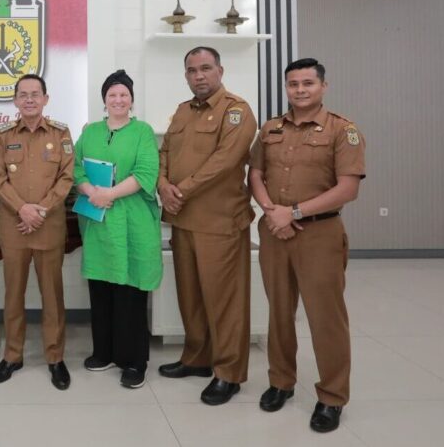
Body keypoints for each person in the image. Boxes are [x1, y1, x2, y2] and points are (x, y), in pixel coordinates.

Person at [249, 58, 365, 433]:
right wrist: (272, 212)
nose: (299, 89)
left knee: (325, 318)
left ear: (323, 87)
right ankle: (280, 382)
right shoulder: (269, 130)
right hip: (273, 230)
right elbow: (256, 173)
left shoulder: (342, 131)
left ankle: (332, 396)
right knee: (278, 313)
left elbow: (347, 188)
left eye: (307, 83)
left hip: (319, 234)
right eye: (293, 84)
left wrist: (293, 212)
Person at [157, 46, 257, 405]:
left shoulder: (237, 111)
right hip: (183, 220)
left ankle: (228, 373)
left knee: (224, 300)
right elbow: (164, 152)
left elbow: (225, 161)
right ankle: (197, 358)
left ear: (220, 70)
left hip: (219, 222)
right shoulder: (183, 112)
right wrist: (162, 184)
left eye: (205, 68)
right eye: (192, 70)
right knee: (191, 296)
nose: (199, 75)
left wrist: (179, 189)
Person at [75, 69, 162, 389]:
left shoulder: (142, 131)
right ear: (104, 100)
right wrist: (90, 191)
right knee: (101, 287)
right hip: (98, 219)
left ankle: (134, 360)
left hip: (131, 219)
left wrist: (109, 193)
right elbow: (76, 166)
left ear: (132, 100)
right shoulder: (91, 132)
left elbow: (145, 170)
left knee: (130, 290)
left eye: (123, 94)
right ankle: (104, 352)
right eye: (112, 95)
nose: (118, 99)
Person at [0, 74, 75, 390]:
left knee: (52, 295)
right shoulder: (2, 135)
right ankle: (13, 355)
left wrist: (40, 210)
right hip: (14, 227)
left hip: (49, 225)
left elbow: (67, 178)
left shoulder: (61, 133)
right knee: (14, 294)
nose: (29, 99)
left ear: (45, 99)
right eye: (23, 94)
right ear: (14, 100)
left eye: (35, 94)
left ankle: (55, 358)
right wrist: (23, 209)